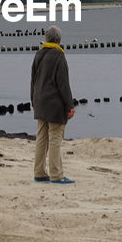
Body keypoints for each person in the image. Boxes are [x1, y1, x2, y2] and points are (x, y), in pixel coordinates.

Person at [30, 25, 75, 183]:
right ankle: (56, 175)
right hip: (54, 105)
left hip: (40, 102)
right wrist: (70, 105)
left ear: (47, 38)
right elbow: (63, 84)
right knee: (55, 138)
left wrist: (33, 101)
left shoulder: (39, 54)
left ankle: (39, 172)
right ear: (59, 39)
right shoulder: (59, 56)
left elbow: (33, 81)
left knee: (41, 138)